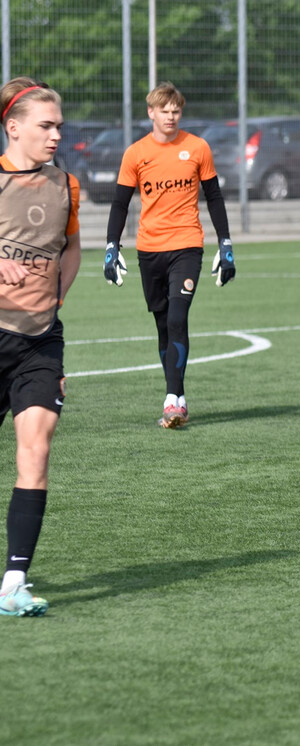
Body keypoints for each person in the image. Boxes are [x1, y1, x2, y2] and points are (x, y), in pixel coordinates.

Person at [103, 82, 235, 428]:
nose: (171, 116)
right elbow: (120, 203)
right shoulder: (135, 154)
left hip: (187, 245)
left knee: (178, 317)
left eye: (176, 111)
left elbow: (215, 198)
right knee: (163, 325)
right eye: (164, 111)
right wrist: (110, 246)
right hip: (150, 249)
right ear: (151, 112)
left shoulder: (197, 147)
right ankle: (177, 393)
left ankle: (172, 402)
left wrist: (226, 243)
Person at [0, 78, 82, 617]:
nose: (56, 135)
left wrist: (53, 302)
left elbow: (72, 249)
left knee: (37, 447)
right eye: (45, 126)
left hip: (39, 341)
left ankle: (13, 582)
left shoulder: (66, 185)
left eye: (59, 126)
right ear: (14, 127)